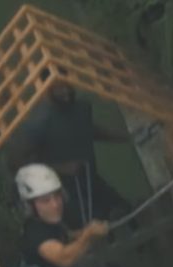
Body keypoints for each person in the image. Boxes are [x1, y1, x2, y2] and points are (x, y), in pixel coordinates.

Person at [12, 83, 131, 221]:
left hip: (89, 179)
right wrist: (61, 168)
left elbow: (88, 129)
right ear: (46, 89)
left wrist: (124, 137)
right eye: (59, 87)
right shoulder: (39, 123)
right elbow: (18, 161)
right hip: (63, 190)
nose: (65, 92)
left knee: (123, 209)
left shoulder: (81, 108)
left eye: (67, 86)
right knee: (93, 222)